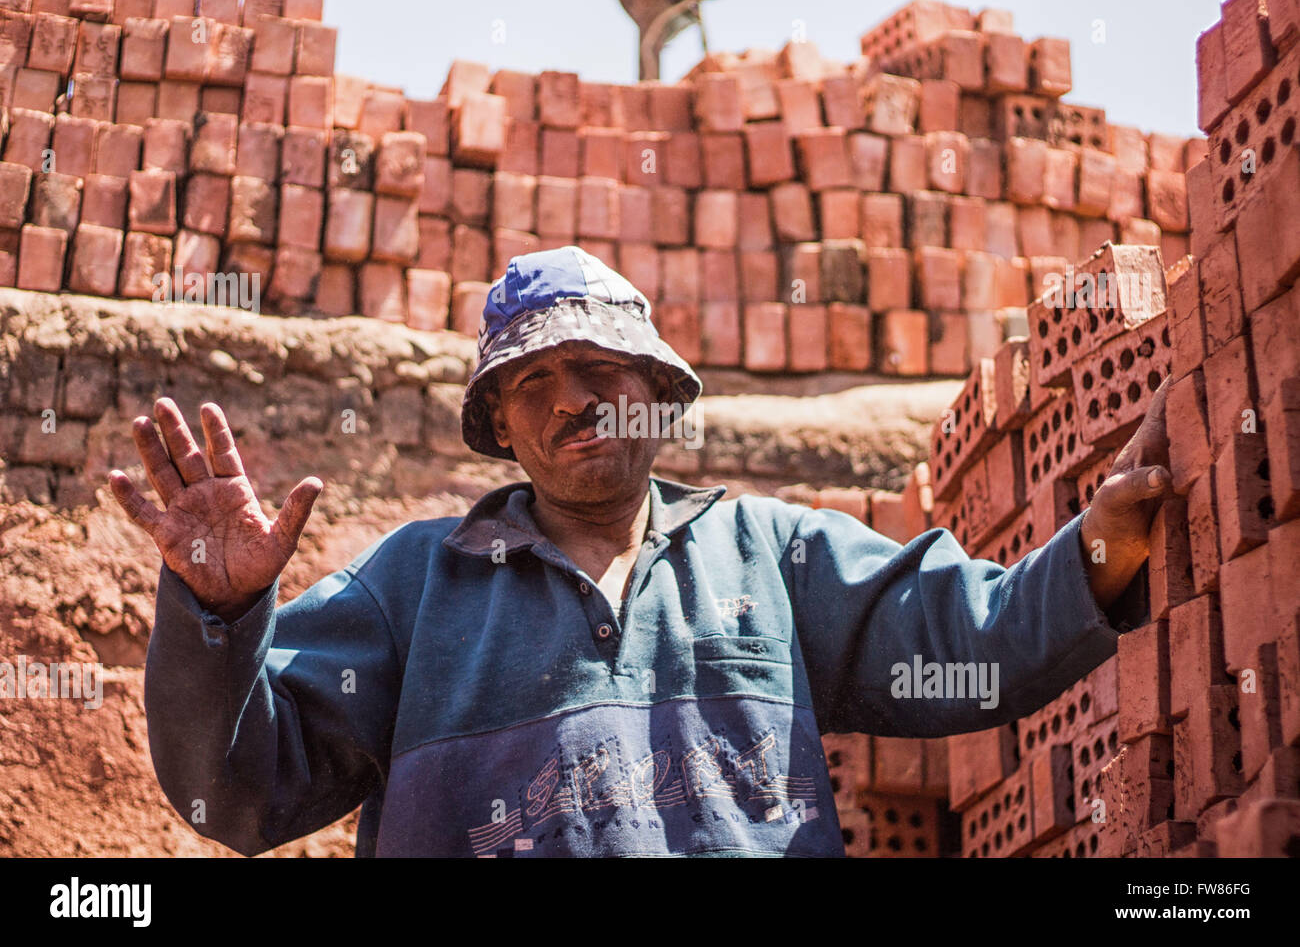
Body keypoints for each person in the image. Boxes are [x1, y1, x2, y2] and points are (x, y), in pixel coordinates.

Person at [108, 245, 1172, 857]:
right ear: (502, 429)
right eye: (534, 382)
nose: (573, 398)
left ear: (660, 397)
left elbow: (976, 639)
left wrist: (1098, 552)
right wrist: (217, 620)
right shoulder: (412, 587)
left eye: (602, 369)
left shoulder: (773, 554)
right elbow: (236, 796)